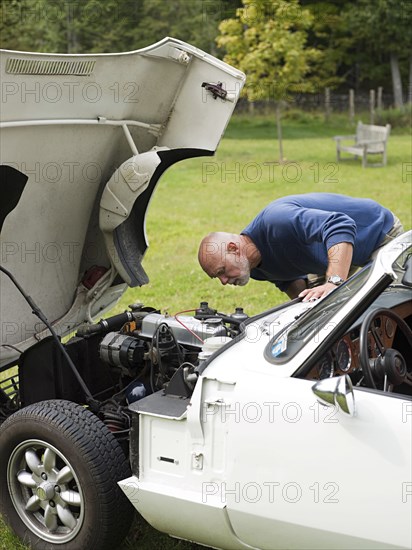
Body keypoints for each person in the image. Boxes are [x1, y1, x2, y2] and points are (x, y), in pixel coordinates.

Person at [198, 193, 403, 302]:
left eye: (221, 272)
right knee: (324, 312)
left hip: (376, 232)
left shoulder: (277, 221)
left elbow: (340, 225)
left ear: (234, 248)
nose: (223, 282)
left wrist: (334, 282)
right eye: (218, 278)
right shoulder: (254, 269)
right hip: (331, 255)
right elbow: (288, 279)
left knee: (388, 302)